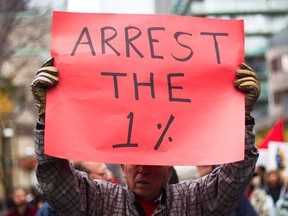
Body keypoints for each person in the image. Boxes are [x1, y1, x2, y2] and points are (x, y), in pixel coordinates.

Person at [31, 58, 260, 215]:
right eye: (136, 160)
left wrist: (242, 118)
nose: (144, 168)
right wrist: (48, 117)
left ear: (168, 170)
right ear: (122, 167)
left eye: (153, 161)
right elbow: (56, 181)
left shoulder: (192, 200)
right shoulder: (100, 199)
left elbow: (234, 179)